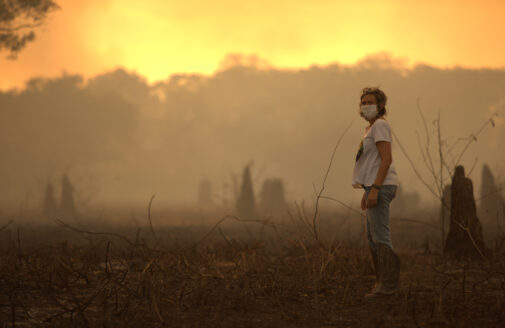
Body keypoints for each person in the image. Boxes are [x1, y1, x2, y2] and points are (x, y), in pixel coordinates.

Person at [352, 87, 400, 298]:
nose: (365, 106)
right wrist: (367, 190)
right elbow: (372, 163)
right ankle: (381, 283)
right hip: (373, 186)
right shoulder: (370, 129)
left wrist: (377, 189)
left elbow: (386, 159)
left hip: (381, 186)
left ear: (381, 106)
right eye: (363, 102)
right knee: (372, 237)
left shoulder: (380, 125)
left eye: (370, 102)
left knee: (380, 236)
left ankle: (388, 286)